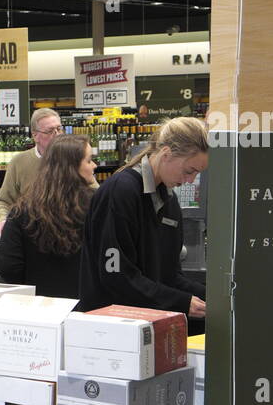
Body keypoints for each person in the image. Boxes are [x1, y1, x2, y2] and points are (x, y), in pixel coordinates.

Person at [77, 116, 209, 326]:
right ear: (166, 154)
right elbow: (117, 277)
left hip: (148, 325)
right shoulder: (121, 191)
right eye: (189, 171)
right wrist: (181, 302)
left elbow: (169, 276)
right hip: (109, 328)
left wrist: (213, 297)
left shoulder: (169, 201)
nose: (191, 181)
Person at [0, 134, 98, 297]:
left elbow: (8, 266)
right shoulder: (97, 205)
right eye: (89, 160)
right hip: (86, 307)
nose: (94, 165)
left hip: (38, 309)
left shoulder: (23, 209)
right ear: (71, 167)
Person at [0, 108, 64, 233]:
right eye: (50, 131)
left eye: (59, 129)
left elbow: (94, 194)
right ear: (35, 136)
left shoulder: (74, 159)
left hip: (67, 234)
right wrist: (3, 222)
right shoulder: (19, 162)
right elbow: (3, 201)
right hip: (30, 234)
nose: (57, 134)